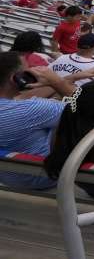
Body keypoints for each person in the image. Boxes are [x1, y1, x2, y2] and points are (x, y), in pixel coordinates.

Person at [0, 51, 75, 189]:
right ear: (15, 78)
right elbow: (91, 107)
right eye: (26, 72)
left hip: (7, 176)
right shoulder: (32, 109)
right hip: (38, 178)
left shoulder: (23, 107)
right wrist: (57, 82)